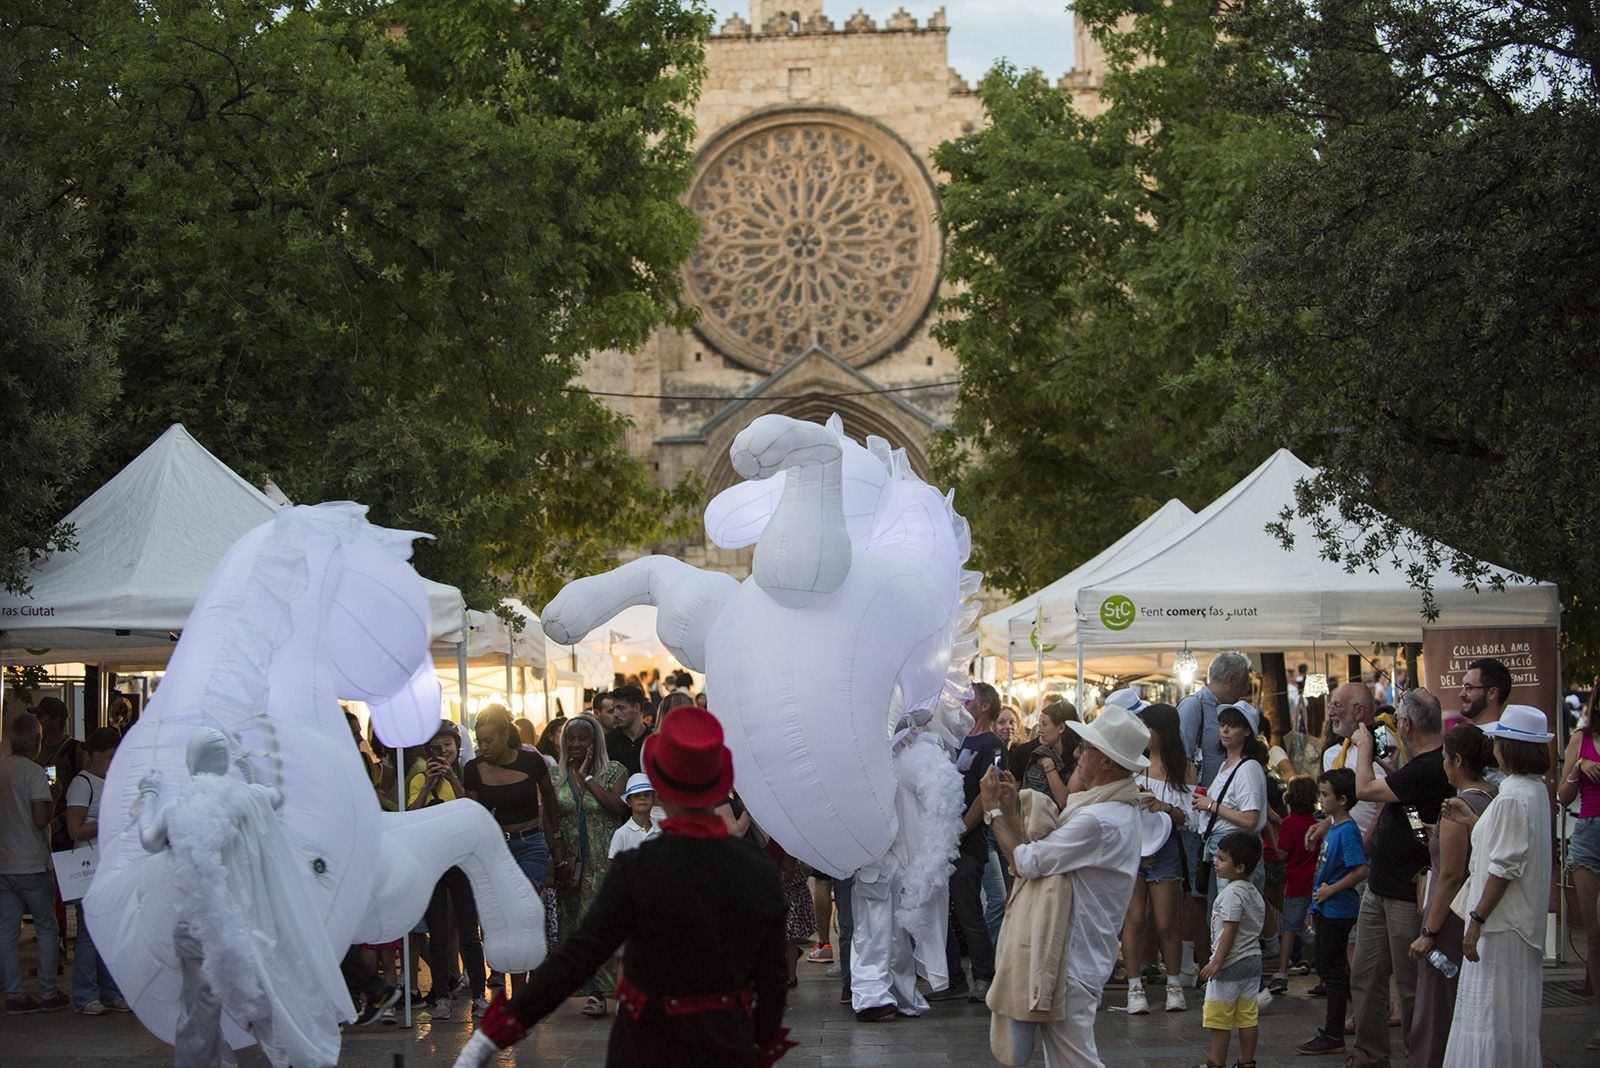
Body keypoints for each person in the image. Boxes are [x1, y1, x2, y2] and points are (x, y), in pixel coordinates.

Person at [449, 706, 792, 1068]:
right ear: (720, 782)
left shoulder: (640, 868)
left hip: (648, 1045)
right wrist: (761, 1043)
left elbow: (578, 958)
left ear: (658, 788)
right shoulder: (757, 870)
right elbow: (772, 980)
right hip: (726, 1045)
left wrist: (496, 1033)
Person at [138, 727, 353, 1068]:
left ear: (191, 760)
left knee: (199, 1011)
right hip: (248, 922)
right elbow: (276, 796)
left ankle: (204, 1062)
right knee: (267, 992)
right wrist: (250, 767)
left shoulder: (178, 808)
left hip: (197, 926)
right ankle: (287, 1049)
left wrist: (149, 794)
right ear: (224, 762)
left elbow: (148, 840)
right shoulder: (247, 798)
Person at [981, 704, 1148, 1067]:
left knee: (1075, 1060)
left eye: (1086, 748)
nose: (1077, 753)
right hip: (1078, 954)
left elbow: (1027, 862)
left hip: (1072, 957)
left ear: (1106, 762)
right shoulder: (1114, 810)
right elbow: (1040, 852)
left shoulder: (1098, 819)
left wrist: (993, 811)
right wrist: (1010, 813)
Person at [1438, 706, 1553, 1066]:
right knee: (1505, 1023)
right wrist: (1475, 822)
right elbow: (1507, 849)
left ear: (1509, 747)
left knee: (1489, 1019)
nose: (1494, 748)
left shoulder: (1514, 795)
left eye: (1498, 741)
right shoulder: (1531, 791)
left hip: (1501, 930)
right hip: (1513, 928)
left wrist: (1475, 922)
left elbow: (1503, 868)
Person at [1347, 688, 1451, 1066]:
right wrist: (1395, 778)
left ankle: (1417, 1054)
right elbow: (1415, 817)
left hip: (1407, 890)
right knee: (1366, 975)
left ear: (1404, 724)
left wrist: (1362, 748)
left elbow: (1362, 790)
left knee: (1410, 984)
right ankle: (1370, 1054)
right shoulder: (1417, 766)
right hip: (1381, 884)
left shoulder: (1431, 765)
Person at [1407, 725, 1496, 1068]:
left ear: (1457, 760)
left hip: (1448, 921)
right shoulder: (1492, 797)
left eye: (1445, 757)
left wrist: (1428, 932)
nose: (1442, 763)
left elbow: (1450, 875)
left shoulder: (1458, 806)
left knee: (1436, 1009)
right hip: (1470, 913)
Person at [464, 706, 566, 998]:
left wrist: (555, 837)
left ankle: (536, 974)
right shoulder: (474, 769)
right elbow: (473, 813)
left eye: (488, 741)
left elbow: (549, 796)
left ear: (505, 736)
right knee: (509, 914)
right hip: (497, 849)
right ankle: (519, 988)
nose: (482, 747)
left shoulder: (531, 761)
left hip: (531, 843)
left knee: (527, 910)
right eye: (479, 741)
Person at [407, 721, 486, 1020]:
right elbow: (411, 816)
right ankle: (441, 995)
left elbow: (472, 808)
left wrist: (452, 778)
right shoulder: (417, 779)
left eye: (448, 745)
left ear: (457, 747)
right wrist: (427, 783)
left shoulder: (468, 775)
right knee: (438, 933)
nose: (444, 750)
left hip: (463, 861)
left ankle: (478, 995)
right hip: (434, 863)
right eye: (437, 746)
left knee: (469, 931)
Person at [552, 713, 629, 1017]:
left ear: (595, 741)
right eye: (570, 739)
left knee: (601, 921)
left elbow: (616, 807)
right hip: (571, 862)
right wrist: (557, 856)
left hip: (603, 861)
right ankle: (586, 988)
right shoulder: (556, 775)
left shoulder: (614, 771)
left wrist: (587, 778)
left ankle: (605, 989)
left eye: (583, 738)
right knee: (574, 923)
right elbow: (551, 817)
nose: (575, 744)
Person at [934, 681, 1004, 1003]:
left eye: (971, 698)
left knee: (968, 909)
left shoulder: (992, 743)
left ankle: (984, 976)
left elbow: (985, 790)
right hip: (949, 837)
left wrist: (962, 827)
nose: (965, 701)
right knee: (945, 911)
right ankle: (952, 977)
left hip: (968, 840)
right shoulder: (962, 740)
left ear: (985, 705)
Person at [1122, 703, 1193, 1015]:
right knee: (1134, 919)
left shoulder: (1183, 769)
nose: (1143, 734)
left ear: (1162, 732)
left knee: (1166, 921)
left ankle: (1174, 983)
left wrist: (1164, 806)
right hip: (1134, 845)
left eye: (1147, 728)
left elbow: (1188, 819)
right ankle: (1134, 986)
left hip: (1165, 847)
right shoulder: (1132, 764)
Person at [1296, 768, 1368, 1056]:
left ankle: (1334, 1031)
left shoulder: (1347, 830)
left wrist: (1331, 891)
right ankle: (1334, 1028)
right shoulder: (1335, 826)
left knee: (1333, 972)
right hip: (1327, 906)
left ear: (1342, 799)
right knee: (1329, 970)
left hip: (1338, 909)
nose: (1321, 800)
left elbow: (1360, 869)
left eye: (1325, 795)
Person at [1, 711, 66, 1014]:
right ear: (37, 741)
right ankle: (48, 992)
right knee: (46, 926)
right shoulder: (34, 773)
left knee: (7, 929)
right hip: (31, 862)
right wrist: (54, 796)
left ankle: (14, 993)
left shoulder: (2, 769)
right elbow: (41, 820)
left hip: (4, 862)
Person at [63, 728, 129, 1015]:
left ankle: (109, 990)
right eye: (112, 756)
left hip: (111, 866)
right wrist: (110, 821)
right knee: (90, 934)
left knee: (111, 932)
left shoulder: (111, 782)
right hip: (91, 867)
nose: (114, 762)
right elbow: (74, 828)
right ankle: (85, 993)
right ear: (96, 754)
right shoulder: (83, 784)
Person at [1197, 832, 1265, 1068]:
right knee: (1247, 1015)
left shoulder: (1230, 895)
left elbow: (1230, 929)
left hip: (1230, 963)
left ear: (1239, 867)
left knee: (1219, 1017)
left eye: (1222, 859)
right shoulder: (1253, 891)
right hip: (1252, 960)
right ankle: (1247, 1062)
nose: (1216, 862)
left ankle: (1216, 1063)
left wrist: (1216, 961)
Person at [1558, 686, 1600, 1052]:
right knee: (1593, 933)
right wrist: (1577, 768)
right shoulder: (1581, 738)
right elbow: (1562, 796)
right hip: (1587, 832)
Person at [1179, 652, 1251, 790]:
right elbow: (1180, 757)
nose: (1244, 690)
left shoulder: (1227, 709)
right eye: (1243, 683)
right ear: (1231, 679)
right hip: (1197, 801)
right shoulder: (1194, 706)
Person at [1273, 776, 1319, 991]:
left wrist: (1271, 832)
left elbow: (1282, 854)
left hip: (1296, 883)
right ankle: (1323, 970)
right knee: (1313, 926)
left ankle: (1282, 972)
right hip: (1317, 882)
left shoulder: (1290, 824)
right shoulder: (1318, 823)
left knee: (1289, 929)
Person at [1014, 698, 1076, 806]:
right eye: (1040, 724)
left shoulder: (1078, 759)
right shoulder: (1039, 754)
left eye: (1044, 724)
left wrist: (1048, 765)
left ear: (1061, 728)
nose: (1039, 730)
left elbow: (1064, 802)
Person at [607, 774, 660, 858]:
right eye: (636, 796)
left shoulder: (661, 830)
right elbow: (613, 866)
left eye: (646, 795)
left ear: (653, 799)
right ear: (629, 802)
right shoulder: (621, 833)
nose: (642, 798)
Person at [603, 685, 651, 777]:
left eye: (621, 708)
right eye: (614, 708)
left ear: (637, 707)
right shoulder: (608, 741)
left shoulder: (653, 740)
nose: (615, 714)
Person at [1455, 658, 1511, 731]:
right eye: (1463, 687)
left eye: (1469, 687)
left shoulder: (1502, 738)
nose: (1461, 694)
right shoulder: (1462, 734)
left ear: (1492, 693)